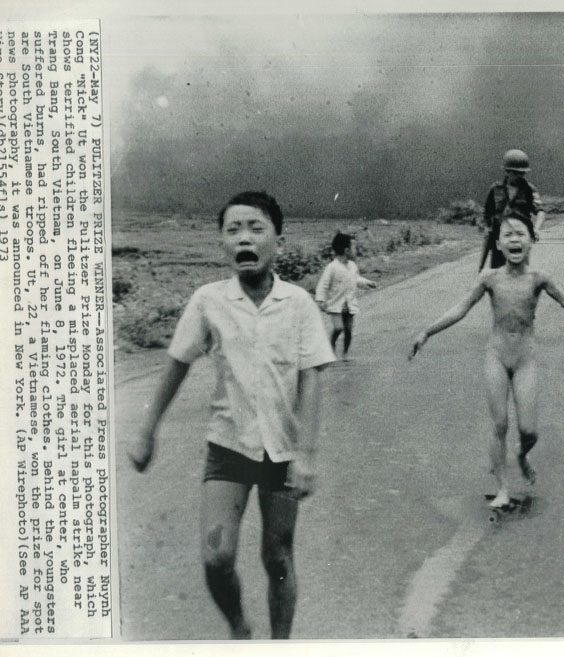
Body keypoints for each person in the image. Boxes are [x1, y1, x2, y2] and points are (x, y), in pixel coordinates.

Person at [127, 191, 336, 639]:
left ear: (279, 239)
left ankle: (280, 645)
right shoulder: (208, 301)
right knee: (216, 556)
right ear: (221, 241)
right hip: (229, 446)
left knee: (278, 558)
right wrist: (147, 430)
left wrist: (306, 454)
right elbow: (177, 363)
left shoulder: (298, 303)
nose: (245, 238)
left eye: (256, 228)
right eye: (233, 229)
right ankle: (240, 630)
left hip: (281, 449)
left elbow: (313, 377)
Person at [410, 211, 564, 507]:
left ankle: (522, 455)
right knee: (499, 425)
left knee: (529, 431)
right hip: (496, 356)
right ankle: (502, 489)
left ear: (531, 241)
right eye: (507, 235)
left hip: (525, 360)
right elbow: (460, 309)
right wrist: (427, 332)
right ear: (498, 244)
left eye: (520, 233)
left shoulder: (539, 278)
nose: (514, 239)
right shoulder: (489, 278)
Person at [478, 149, 547, 271]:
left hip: (520, 238)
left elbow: (540, 211)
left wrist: (536, 229)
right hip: (500, 237)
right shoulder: (496, 189)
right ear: (507, 171)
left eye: (522, 173)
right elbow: (487, 212)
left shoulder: (529, 190)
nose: (519, 176)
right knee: (497, 273)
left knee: (520, 273)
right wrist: (487, 227)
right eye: (515, 173)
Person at [315, 231, 377, 359]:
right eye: (354, 248)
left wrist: (368, 283)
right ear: (347, 250)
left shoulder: (352, 266)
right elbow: (323, 285)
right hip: (336, 305)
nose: (356, 251)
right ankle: (330, 346)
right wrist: (321, 300)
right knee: (338, 327)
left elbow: (356, 279)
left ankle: (345, 352)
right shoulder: (332, 267)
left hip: (349, 304)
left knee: (348, 330)